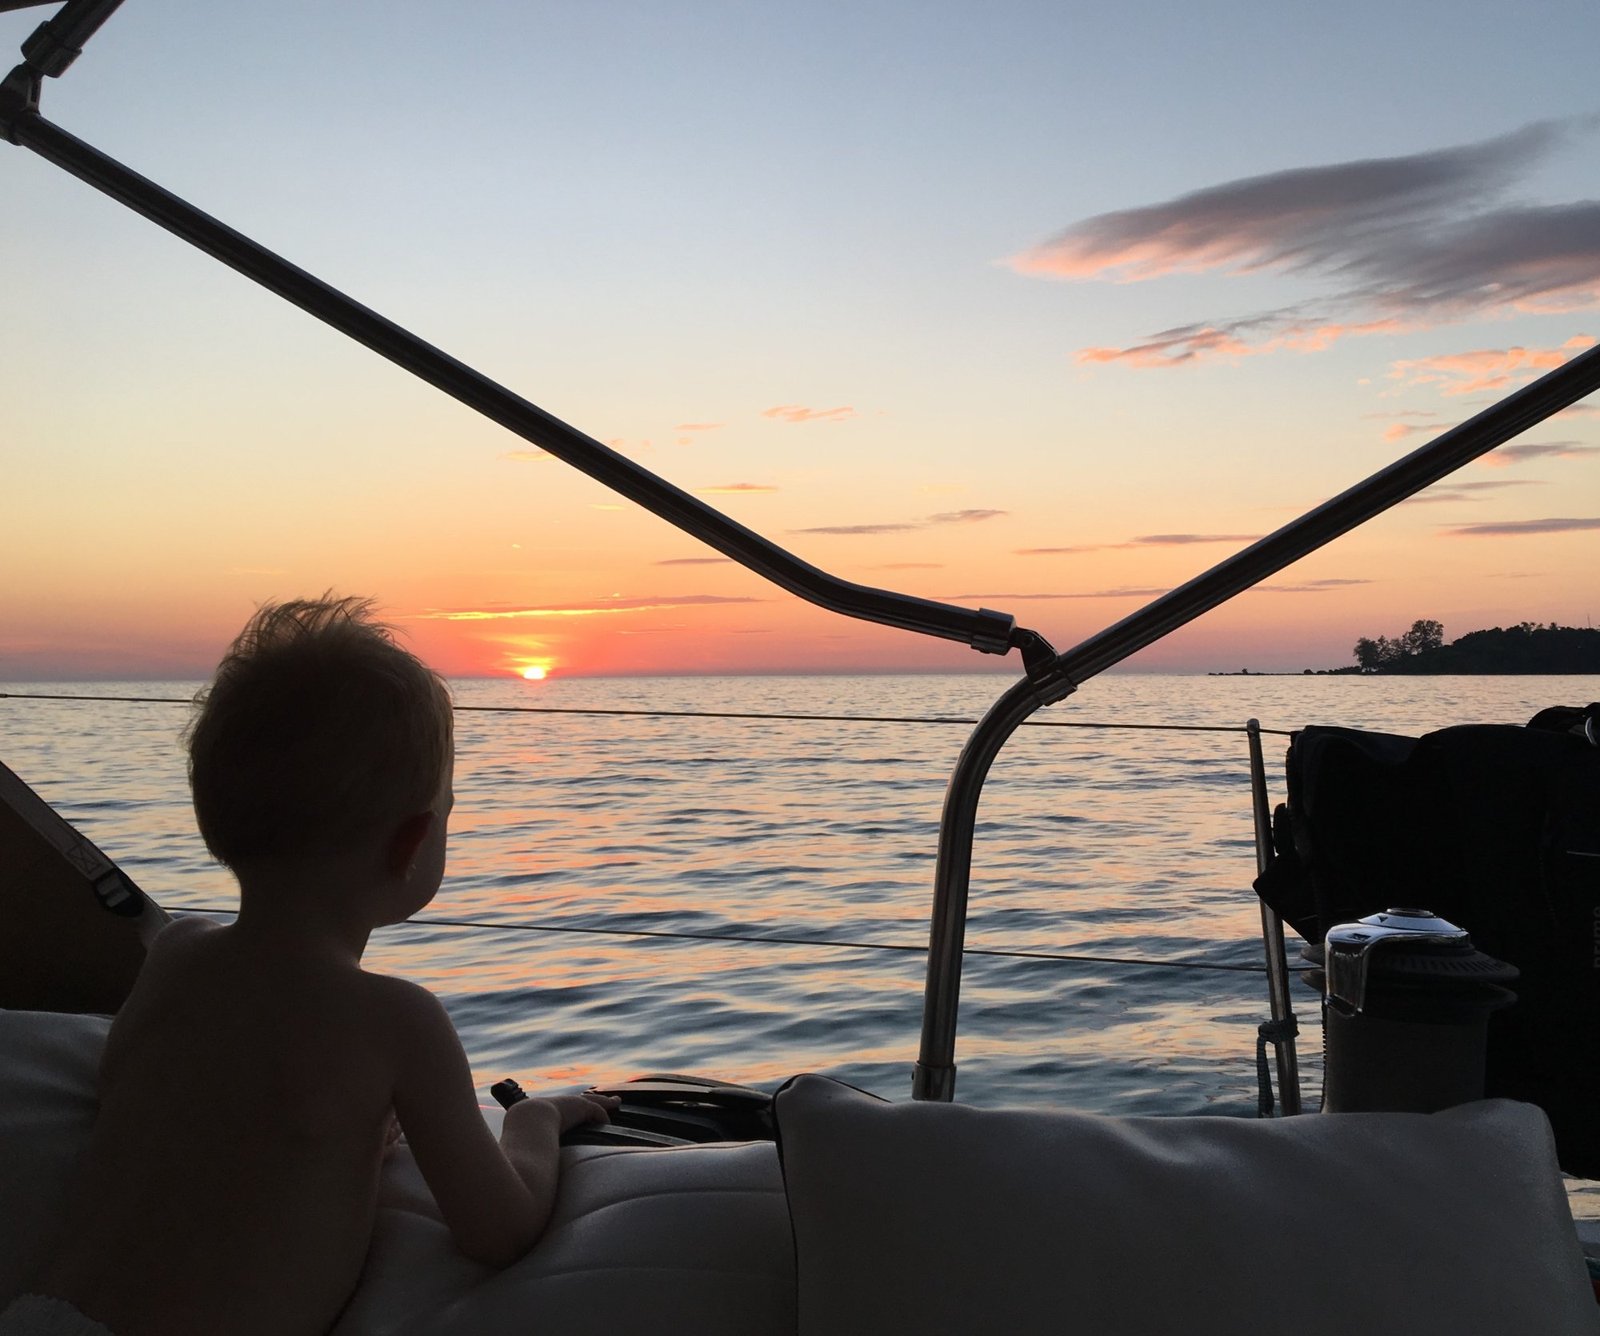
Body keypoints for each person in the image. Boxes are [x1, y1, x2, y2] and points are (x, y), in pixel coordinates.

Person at [3, 596, 615, 1336]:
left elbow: (207, 1110)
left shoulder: (173, 956)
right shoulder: (397, 1021)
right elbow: (500, 1229)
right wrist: (536, 1119)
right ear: (412, 841)